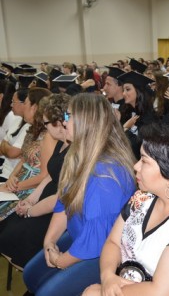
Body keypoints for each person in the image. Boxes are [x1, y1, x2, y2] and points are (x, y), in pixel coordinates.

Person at [83, 123, 169, 296]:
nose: (136, 166)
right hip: (131, 283)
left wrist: (104, 291)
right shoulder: (143, 197)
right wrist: (107, 277)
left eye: (144, 161)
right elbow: (113, 242)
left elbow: (160, 292)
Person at [23, 94, 136, 296]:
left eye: (69, 116)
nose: (64, 122)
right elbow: (63, 204)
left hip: (104, 252)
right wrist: (49, 242)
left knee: (47, 292)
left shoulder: (106, 173)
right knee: (31, 276)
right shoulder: (78, 154)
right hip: (82, 236)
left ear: (86, 122)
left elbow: (97, 239)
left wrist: (61, 260)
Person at [0, 93, 71, 269]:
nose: (45, 127)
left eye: (47, 123)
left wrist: (31, 209)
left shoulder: (72, 149)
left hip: (55, 208)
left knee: (12, 235)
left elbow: (61, 196)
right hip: (42, 198)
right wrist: (31, 199)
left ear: (59, 124)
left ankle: (31, 276)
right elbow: (49, 175)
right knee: (8, 234)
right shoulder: (63, 142)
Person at [0, 87, 55, 221]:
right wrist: (12, 177)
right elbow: (23, 159)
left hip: (31, 190)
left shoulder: (48, 136)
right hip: (18, 183)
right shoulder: (31, 130)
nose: (23, 107)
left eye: (25, 103)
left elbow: (44, 175)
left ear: (35, 107)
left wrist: (12, 186)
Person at [117, 71, 158, 159]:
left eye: (128, 89)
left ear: (138, 91)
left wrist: (125, 129)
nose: (123, 93)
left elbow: (140, 147)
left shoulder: (149, 118)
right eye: (123, 90)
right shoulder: (125, 112)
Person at [0, 88, 30, 182]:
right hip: (4, 168)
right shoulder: (17, 119)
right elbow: (3, 146)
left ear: (23, 104)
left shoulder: (29, 127)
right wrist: (6, 146)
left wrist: (6, 145)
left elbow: (12, 153)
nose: (11, 105)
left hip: (11, 175)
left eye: (14, 102)